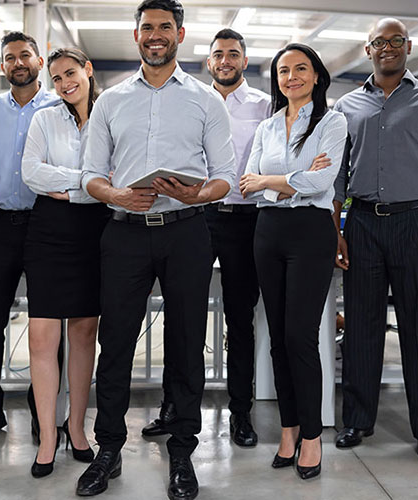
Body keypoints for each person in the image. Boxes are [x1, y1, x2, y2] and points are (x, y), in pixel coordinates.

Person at [75, 1, 236, 498]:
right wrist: (119, 193)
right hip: (124, 231)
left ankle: (183, 452)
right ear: (137, 35)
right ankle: (108, 449)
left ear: (180, 34)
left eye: (165, 27)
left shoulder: (207, 101)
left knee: (187, 342)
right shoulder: (111, 101)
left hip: (186, 230)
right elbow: (89, 177)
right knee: (117, 342)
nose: (155, 35)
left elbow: (226, 177)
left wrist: (197, 193)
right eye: (147, 27)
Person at [332, 18, 418, 462]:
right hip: (364, 223)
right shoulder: (346, 106)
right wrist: (336, 231)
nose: (387, 48)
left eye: (395, 41)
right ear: (367, 49)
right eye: (379, 42)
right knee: (360, 326)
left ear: (408, 47)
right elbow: (336, 177)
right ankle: (357, 419)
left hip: (416, 223)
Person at [140, 28, 270, 449]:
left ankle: (241, 414)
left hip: (244, 221)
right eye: (218, 55)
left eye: (234, 54)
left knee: (239, 318)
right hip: (195, 214)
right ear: (209, 61)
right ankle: (172, 408)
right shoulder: (192, 99)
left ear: (244, 61)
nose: (226, 60)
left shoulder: (265, 105)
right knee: (183, 315)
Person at [240, 43, 346, 480]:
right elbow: (247, 182)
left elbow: (323, 182)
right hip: (268, 232)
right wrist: (288, 182)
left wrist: (273, 180)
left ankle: (313, 437)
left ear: (316, 75)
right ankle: (289, 429)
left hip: (310, 234)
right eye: (284, 71)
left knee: (301, 337)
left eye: (300, 68)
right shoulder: (266, 127)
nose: (291, 77)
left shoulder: (332, 121)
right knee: (278, 339)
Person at [0, 32, 60, 444]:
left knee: (47, 325)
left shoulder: (59, 106)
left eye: (25, 55)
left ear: (39, 60)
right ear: (2, 66)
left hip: (48, 225)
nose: (18, 62)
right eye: (10, 58)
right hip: (0, 225)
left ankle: (44, 415)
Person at [21, 47, 110, 478]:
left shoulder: (110, 113)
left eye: (69, 73)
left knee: (83, 332)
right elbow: (31, 173)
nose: (63, 84)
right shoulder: (44, 117)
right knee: (41, 337)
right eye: (56, 78)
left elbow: (116, 175)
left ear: (87, 71)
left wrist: (70, 184)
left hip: (94, 230)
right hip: (48, 231)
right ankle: (48, 438)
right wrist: (84, 182)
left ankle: (76, 428)